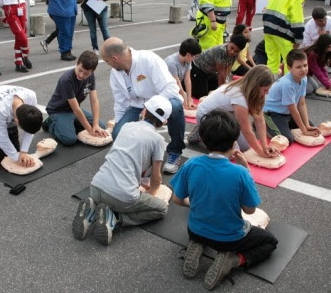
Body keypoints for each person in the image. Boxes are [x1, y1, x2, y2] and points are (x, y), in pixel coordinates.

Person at [171, 110, 278, 290]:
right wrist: (246, 167)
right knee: (270, 242)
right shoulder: (240, 173)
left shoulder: (191, 164)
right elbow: (250, 210)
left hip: (195, 230)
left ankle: (197, 244)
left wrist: (194, 204)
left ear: (204, 140)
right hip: (229, 239)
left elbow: (177, 199)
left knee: (202, 227)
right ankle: (234, 260)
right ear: (234, 142)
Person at [72, 95, 172, 246]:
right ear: (165, 122)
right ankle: (116, 218)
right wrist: (149, 194)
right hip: (121, 197)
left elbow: (124, 159)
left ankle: (92, 211)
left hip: (96, 186)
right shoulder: (158, 140)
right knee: (161, 209)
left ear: (144, 111)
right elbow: (156, 178)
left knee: (113, 194)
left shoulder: (127, 126)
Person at [101, 37, 186, 174]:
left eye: (106, 61)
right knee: (118, 134)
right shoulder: (115, 73)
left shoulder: (148, 59)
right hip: (138, 106)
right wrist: (119, 124)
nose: (107, 64)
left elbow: (171, 88)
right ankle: (138, 158)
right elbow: (120, 102)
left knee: (176, 107)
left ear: (115, 58)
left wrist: (152, 107)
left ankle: (175, 151)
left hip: (163, 101)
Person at [188, 65, 279, 158]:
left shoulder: (253, 92)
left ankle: (205, 133)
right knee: (231, 153)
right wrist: (260, 153)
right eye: (265, 90)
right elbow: (246, 130)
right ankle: (202, 132)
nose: (267, 93)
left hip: (225, 115)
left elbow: (259, 120)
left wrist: (264, 146)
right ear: (255, 86)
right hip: (208, 117)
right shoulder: (239, 96)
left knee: (245, 146)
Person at [43, 50, 106, 145]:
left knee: (101, 126)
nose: (81, 75)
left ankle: (68, 124)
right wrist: (89, 129)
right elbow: (76, 109)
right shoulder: (66, 79)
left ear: (92, 71)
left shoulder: (91, 76)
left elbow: (94, 101)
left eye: (86, 73)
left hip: (73, 110)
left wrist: (96, 125)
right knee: (70, 139)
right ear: (77, 63)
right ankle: (50, 122)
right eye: (80, 70)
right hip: (59, 111)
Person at [263, 0, 314, 75]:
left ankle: (269, 87)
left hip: (268, 29)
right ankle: (288, 88)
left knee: (272, 61)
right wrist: (298, 40)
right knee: (290, 62)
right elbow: (297, 20)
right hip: (284, 32)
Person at [263, 49, 320, 143]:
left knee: (311, 126)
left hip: (287, 113)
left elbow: (301, 104)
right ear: (289, 68)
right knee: (288, 139)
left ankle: (285, 126)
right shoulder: (287, 84)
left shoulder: (304, 78)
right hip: (273, 113)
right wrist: (304, 130)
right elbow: (293, 110)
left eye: (305, 65)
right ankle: (263, 125)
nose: (303, 69)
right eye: (298, 67)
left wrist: (306, 126)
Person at [190, 34, 247, 99]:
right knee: (202, 96)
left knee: (215, 87)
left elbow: (228, 68)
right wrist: (222, 91)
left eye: (236, 51)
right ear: (229, 42)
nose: (232, 52)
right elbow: (221, 72)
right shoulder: (221, 51)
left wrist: (226, 83)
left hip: (210, 71)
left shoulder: (235, 55)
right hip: (198, 68)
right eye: (231, 48)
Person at [164, 38, 202, 111]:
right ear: (188, 55)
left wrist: (189, 99)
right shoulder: (171, 63)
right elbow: (177, 83)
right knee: (178, 105)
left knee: (186, 99)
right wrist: (185, 100)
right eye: (195, 56)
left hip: (175, 86)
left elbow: (187, 80)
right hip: (166, 88)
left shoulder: (187, 61)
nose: (194, 59)